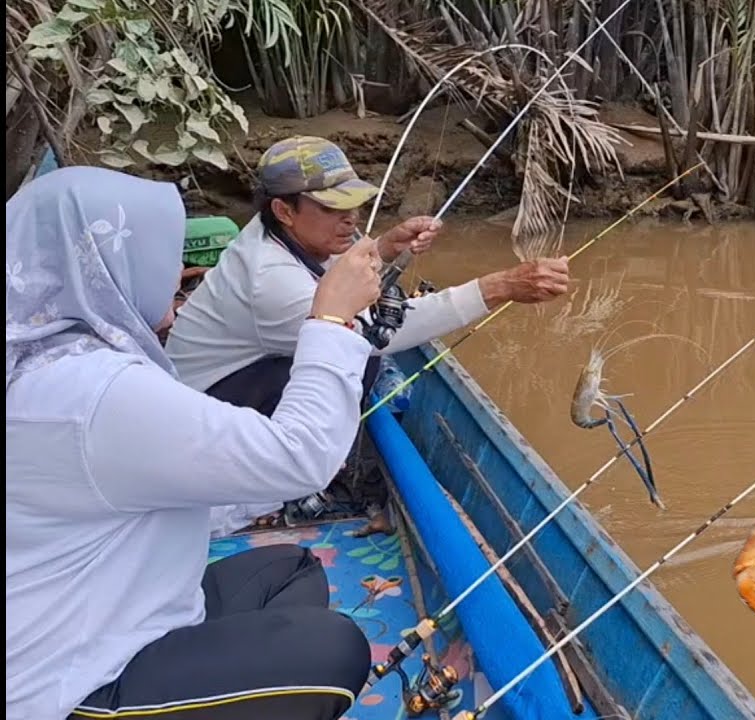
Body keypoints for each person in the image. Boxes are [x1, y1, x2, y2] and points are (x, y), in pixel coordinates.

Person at [6, 165, 386, 720]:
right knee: (333, 648)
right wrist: (329, 318)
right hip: (69, 681)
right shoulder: (95, 392)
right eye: (162, 253)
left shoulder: (48, 360)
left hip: (113, 608)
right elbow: (302, 458)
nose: (178, 271)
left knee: (290, 570)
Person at [165, 135, 573, 533]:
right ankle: (259, 497)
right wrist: (498, 287)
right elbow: (378, 336)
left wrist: (385, 247)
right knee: (356, 364)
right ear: (284, 210)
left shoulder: (274, 232)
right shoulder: (270, 280)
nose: (352, 219)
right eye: (333, 208)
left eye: (354, 204)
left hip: (211, 394)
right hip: (202, 428)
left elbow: (342, 275)